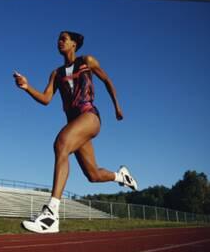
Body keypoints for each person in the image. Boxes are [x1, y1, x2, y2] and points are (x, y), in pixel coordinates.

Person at [13, 31, 137, 233]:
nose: (59, 41)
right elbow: (46, 99)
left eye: (64, 38)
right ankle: (121, 176)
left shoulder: (86, 61)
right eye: (58, 39)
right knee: (93, 175)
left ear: (74, 44)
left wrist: (117, 106)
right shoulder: (56, 73)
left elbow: (107, 81)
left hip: (89, 116)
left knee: (61, 143)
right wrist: (27, 87)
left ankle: (51, 214)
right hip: (74, 124)